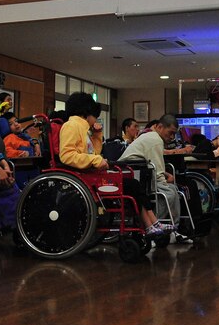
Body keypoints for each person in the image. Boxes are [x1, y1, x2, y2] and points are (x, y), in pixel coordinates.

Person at [59, 92, 172, 237]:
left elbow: (94, 151)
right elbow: (67, 155)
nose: (96, 120)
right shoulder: (71, 126)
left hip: (90, 174)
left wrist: (97, 135)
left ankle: (152, 223)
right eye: (95, 116)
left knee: (134, 185)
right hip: (85, 177)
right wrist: (96, 160)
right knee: (133, 185)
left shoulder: (83, 128)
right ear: (87, 113)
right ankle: (151, 223)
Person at [119, 114, 184, 240]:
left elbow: (154, 165)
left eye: (174, 134)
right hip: (133, 173)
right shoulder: (155, 140)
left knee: (172, 189)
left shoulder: (152, 137)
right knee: (169, 192)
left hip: (138, 172)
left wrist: (164, 176)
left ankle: (167, 228)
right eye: (170, 133)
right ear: (160, 127)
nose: (171, 137)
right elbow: (157, 170)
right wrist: (165, 181)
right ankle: (159, 227)